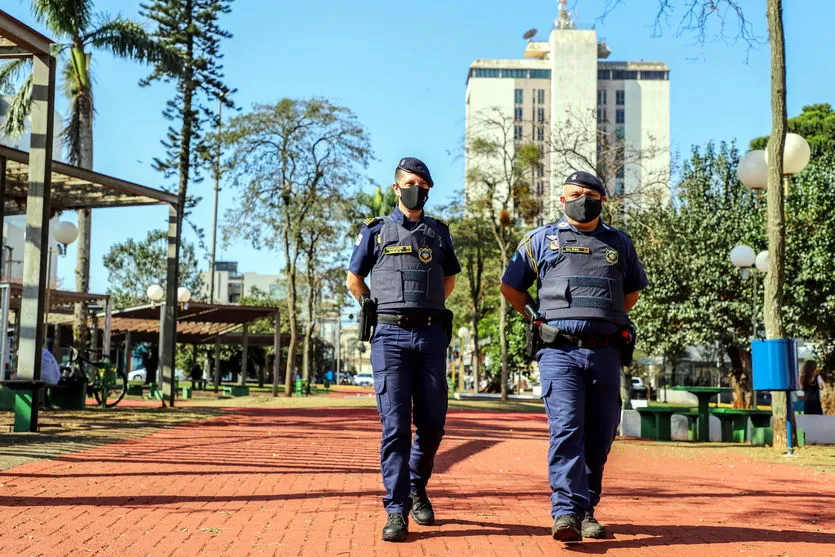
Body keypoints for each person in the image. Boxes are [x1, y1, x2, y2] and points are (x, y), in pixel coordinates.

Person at [500, 170, 648, 542]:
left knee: (601, 435)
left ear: (602, 199)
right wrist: (536, 319)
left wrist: (605, 317)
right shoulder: (540, 241)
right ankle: (566, 511)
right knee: (567, 428)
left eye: (590, 193)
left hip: (605, 354)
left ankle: (585, 509)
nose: (583, 199)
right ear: (562, 200)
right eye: (575, 193)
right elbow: (511, 287)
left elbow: (631, 293)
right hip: (559, 352)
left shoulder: (619, 243)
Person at [346, 157, 460, 542]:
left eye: (424, 185)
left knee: (432, 424)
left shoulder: (439, 233)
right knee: (395, 427)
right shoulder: (375, 232)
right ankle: (396, 510)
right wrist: (369, 305)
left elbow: (449, 280)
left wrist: (427, 309)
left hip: (429, 337)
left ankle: (416, 486)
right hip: (389, 338)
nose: (418, 189)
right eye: (411, 183)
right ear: (396, 188)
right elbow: (353, 278)